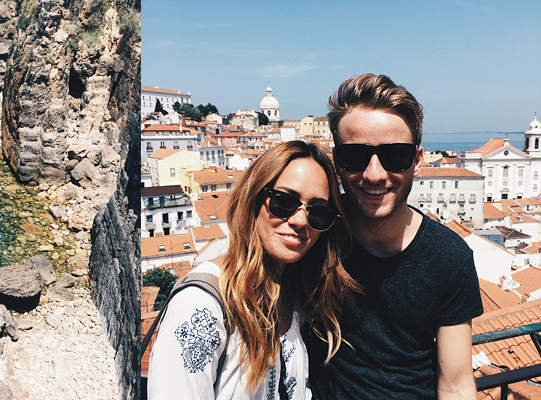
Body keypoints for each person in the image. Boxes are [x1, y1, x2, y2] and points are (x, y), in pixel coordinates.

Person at [304, 73, 484, 399]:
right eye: (355, 157)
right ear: (337, 162)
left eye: (395, 156)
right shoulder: (316, 231)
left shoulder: (449, 257)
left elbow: (456, 385)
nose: (374, 174)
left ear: (416, 162)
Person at [147, 141, 359, 399]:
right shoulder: (201, 306)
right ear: (253, 199)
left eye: (318, 213)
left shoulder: (295, 297)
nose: (301, 221)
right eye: (284, 202)